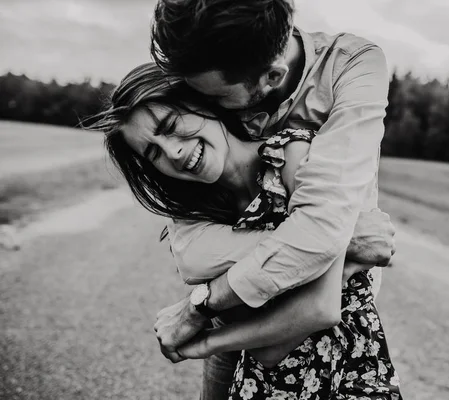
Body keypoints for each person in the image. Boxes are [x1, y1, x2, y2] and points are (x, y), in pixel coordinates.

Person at [92, 63, 401, 398]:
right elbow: (267, 352)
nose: (173, 152)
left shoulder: (294, 155)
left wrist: (206, 341)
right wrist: (342, 249)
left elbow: (320, 309)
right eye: (153, 152)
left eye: (170, 126)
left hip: (344, 378)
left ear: (201, 101)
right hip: (263, 383)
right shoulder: (203, 217)